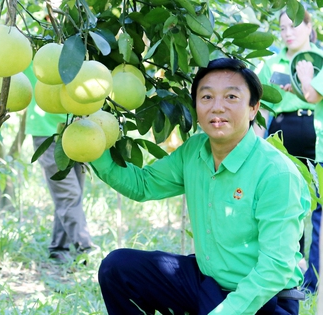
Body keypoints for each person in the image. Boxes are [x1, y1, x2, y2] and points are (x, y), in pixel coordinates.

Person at [92, 58, 310, 314]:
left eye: (231, 97)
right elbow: (143, 185)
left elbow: (275, 267)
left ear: (253, 109)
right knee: (117, 268)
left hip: (264, 299)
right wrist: (92, 146)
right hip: (208, 284)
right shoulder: (194, 152)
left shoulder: (276, 173)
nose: (217, 107)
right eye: (206, 97)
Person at [256, 9, 323, 294]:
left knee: (318, 209)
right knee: (286, 207)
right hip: (281, 136)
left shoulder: (319, 60)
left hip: (316, 136)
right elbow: (258, 110)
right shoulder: (271, 63)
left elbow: (313, 95)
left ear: (309, 26)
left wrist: (304, 76)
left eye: (293, 26)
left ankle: (315, 279)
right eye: (282, 28)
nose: (287, 33)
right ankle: (291, 275)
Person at [24, 66, 96, 263]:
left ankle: (58, 247)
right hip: (48, 132)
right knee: (68, 194)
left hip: (78, 129)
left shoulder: (78, 44)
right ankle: (86, 248)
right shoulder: (38, 48)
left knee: (73, 194)